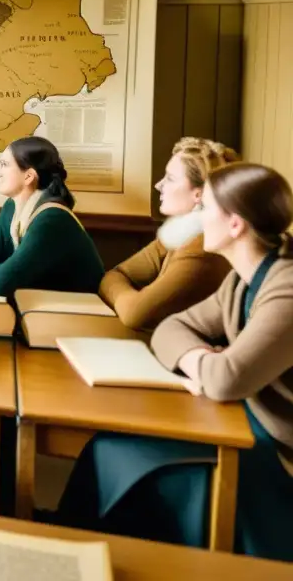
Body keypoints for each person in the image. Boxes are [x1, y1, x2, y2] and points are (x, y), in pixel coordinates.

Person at [51, 162, 293, 562]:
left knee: (146, 467)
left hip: (273, 447)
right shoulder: (240, 278)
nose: (197, 217)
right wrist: (203, 359)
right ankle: (78, 546)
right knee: (110, 445)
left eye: (207, 207)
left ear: (235, 225)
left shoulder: (284, 288)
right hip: (238, 418)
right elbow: (170, 330)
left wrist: (209, 368)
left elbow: (226, 380)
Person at [100, 137, 238, 333]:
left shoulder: (202, 245)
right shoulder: (180, 234)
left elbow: (134, 314)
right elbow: (115, 275)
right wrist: (132, 295)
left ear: (200, 194)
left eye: (170, 178)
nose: (158, 185)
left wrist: (134, 296)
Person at [0, 136, 103, 297]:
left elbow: (1, 283)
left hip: (77, 315)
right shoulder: (12, 208)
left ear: (29, 176)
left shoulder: (53, 220)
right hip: (43, 310)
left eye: (4, 165)